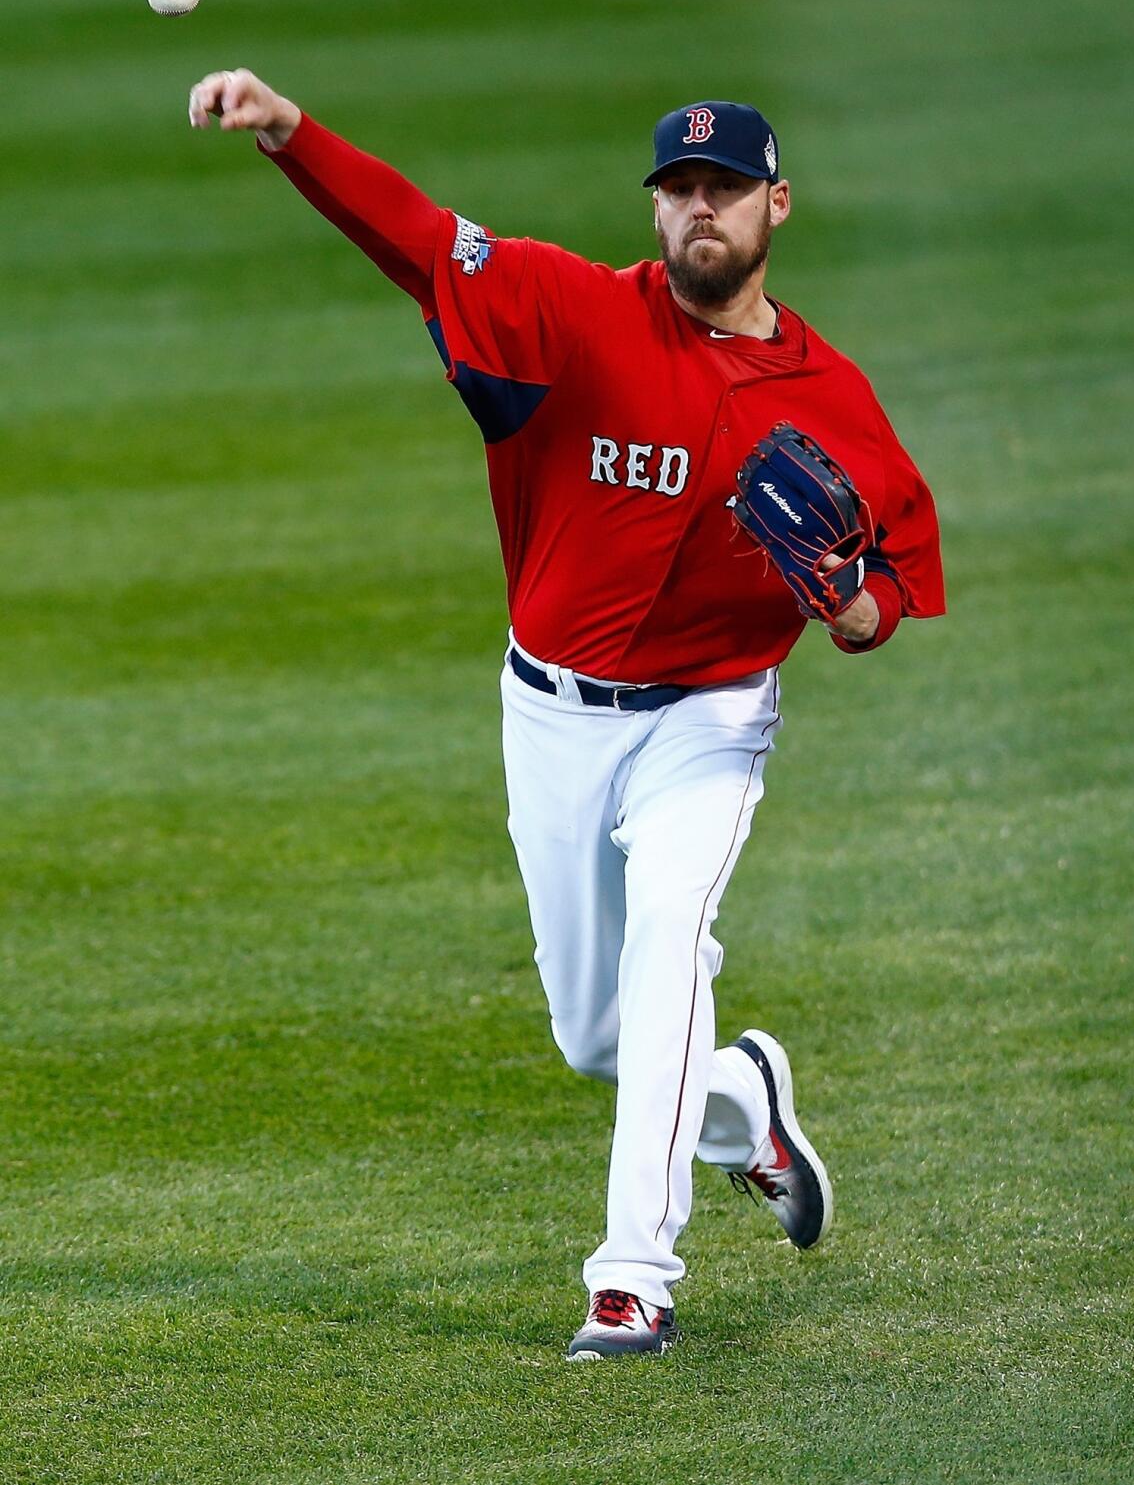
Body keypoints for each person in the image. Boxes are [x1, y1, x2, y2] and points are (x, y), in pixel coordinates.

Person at [187, 72, 945, 1360]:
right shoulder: (573, 313)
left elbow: (888, 590)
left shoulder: (836, 399)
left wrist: (849, 607)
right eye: (679, 192)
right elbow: (423, 242)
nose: (700, 211)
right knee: (595, 1032)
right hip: (550, 713)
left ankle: (632, 1274)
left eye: (725, 191)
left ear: (777, 204)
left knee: (665, 962)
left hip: (709, 725)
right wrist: (287, 134)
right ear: (657, 212)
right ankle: (741, 1102)